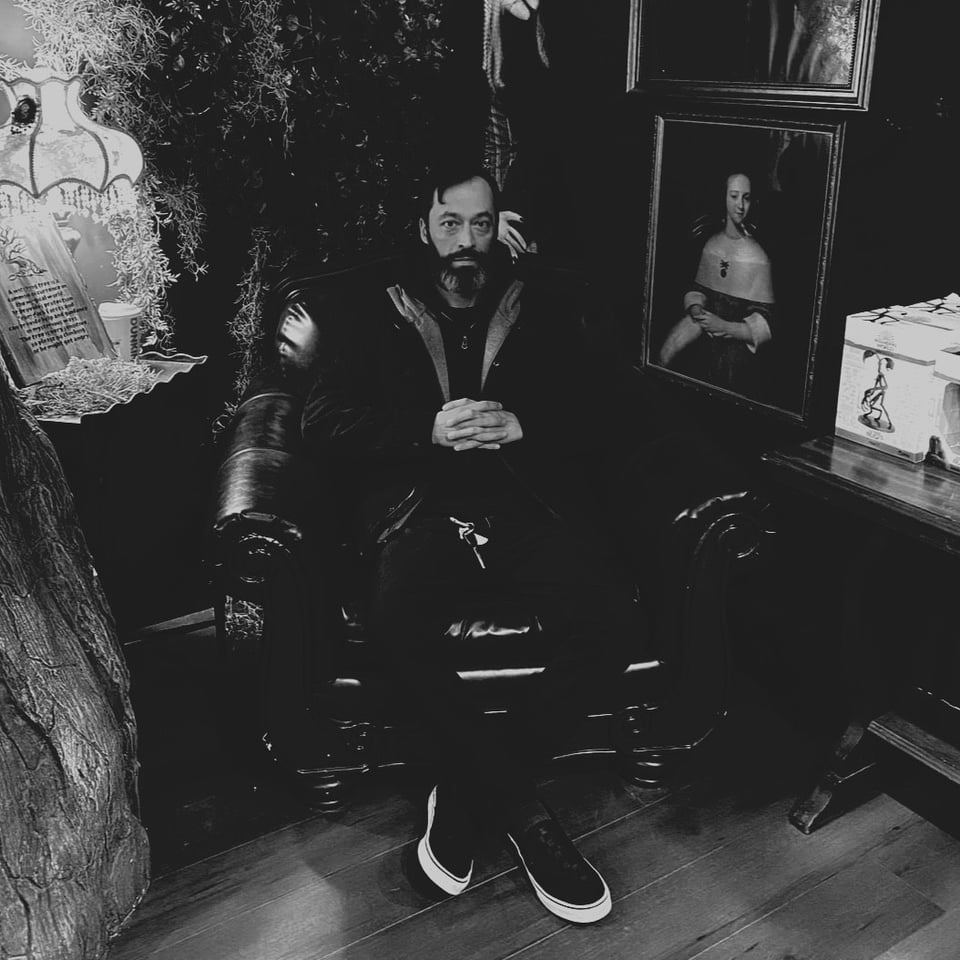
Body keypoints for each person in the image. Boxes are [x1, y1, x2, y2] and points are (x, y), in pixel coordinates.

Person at [299, 164, 648, 924]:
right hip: (418, 510)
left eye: (481, 223)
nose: (467, 241)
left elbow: (609, 407)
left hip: (524, 504)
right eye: (451, 223)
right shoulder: (370, 308)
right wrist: (421, 431)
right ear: (424, 227)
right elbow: (321, 423)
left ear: (500, 225)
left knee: (611, 620)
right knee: (395, 623)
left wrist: (530, 425)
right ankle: (527, 815)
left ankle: (464, 799)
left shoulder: (546, 301)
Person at [658, 173, 775, 396]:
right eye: (734, 196)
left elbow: (766, 322)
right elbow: (699, 289)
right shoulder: (712, 245)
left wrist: (725, 327)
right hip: (703, 349)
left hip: (738, 360)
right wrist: (696, 307)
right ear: (723, 199)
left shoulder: (758, 256)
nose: (740, 206)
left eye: (746, 198)